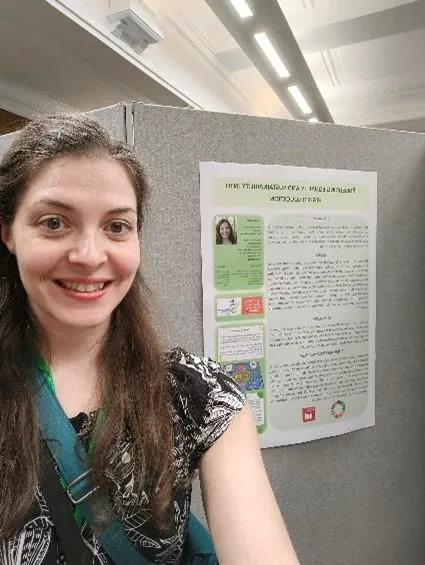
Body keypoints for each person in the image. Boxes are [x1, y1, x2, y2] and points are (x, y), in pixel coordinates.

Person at [0, 114, 300, 564]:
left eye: (117, 226)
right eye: (54, 222)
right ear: (8, 234)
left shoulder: (196, 394)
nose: (88, 255)